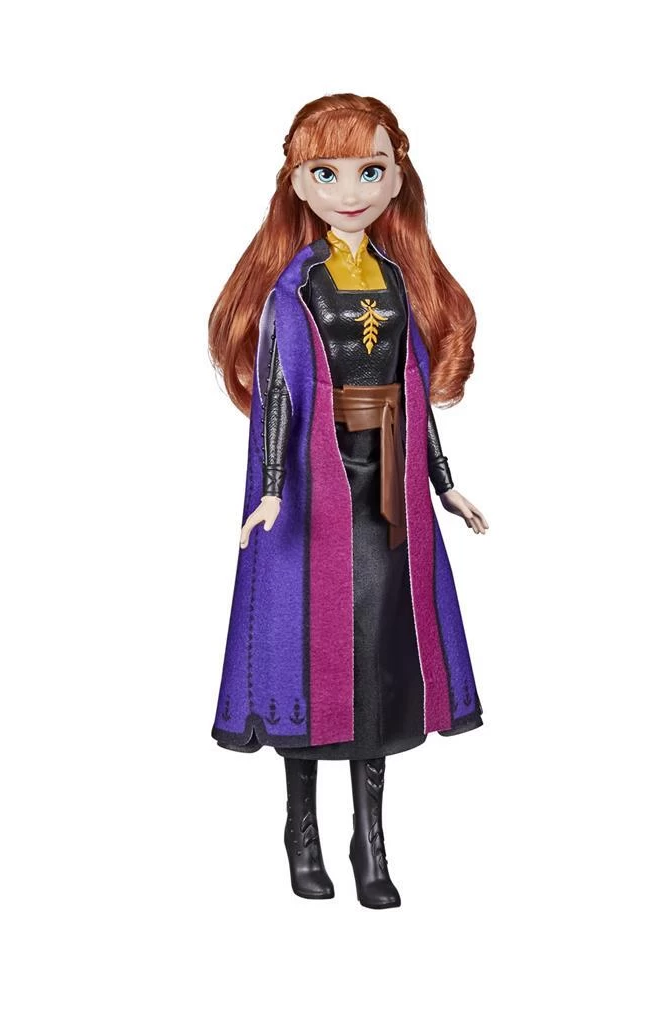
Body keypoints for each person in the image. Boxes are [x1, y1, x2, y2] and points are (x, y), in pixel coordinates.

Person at [207, 94, 488, 909]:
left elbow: (413, 387)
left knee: (380, 659)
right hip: (312, 482)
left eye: (371, 170)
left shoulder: (395, 279)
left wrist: (444, 481)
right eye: (325, 173)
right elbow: (278, 392)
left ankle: (372, 844)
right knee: (308, 649)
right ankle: (303, 833)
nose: (350, 189)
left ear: (398, 178)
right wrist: (269, 490)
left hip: (388, 484)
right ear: (297, 183)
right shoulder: (295, 287)